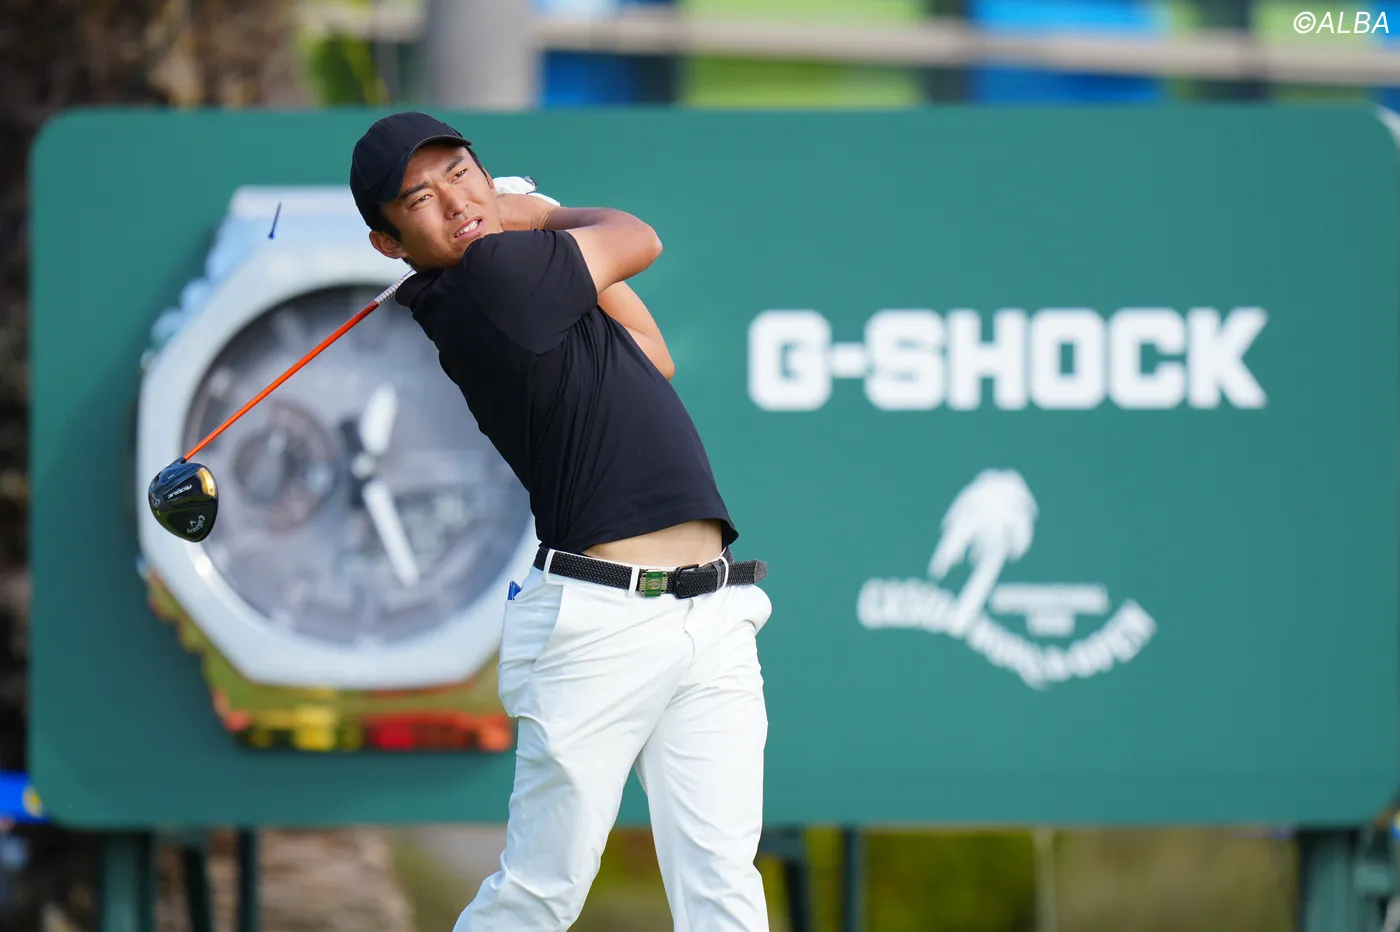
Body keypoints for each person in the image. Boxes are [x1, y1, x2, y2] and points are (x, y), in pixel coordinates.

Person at [349, 111, 774, 931]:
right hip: (603, 622)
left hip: (711, 611)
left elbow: (651, 353)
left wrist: (540, 237)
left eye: (461, 173)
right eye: (421, 198)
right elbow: (638, 237)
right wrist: (537, 212)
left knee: (724, 889)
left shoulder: (521, 288)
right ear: (388, 243)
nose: (456, 200)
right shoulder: (494, 275)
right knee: (541, 894)